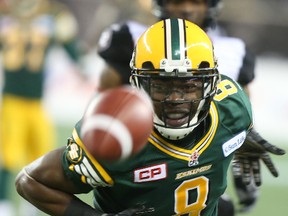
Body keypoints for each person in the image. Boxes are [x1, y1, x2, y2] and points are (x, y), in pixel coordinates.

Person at [15, 18, 285, 216]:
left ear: (211, 85)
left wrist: (243, 140)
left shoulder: (233, 108)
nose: (176, 99)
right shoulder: (116, 134)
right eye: (162, 85)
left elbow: (237, 125)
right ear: (138, 85)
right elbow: (29, 181)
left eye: (188, 85)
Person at [96, 0, 279, 214]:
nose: (186, 8)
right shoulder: (129, 38)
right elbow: (102, 106)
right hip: (141, 163)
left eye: (197, 1)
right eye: (177, 0)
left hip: (198, 162)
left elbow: (241, 113)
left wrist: (241, 144)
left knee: (223, 209)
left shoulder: (234, 51)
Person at [0, 0, 81, 215]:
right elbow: (72, 51)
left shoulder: (12, 19)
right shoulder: (51, 19)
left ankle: (27, 205)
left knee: (37, 155)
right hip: (14, 100)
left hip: (33, 101)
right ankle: (4, 205)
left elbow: (71, 50)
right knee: (9, 157)